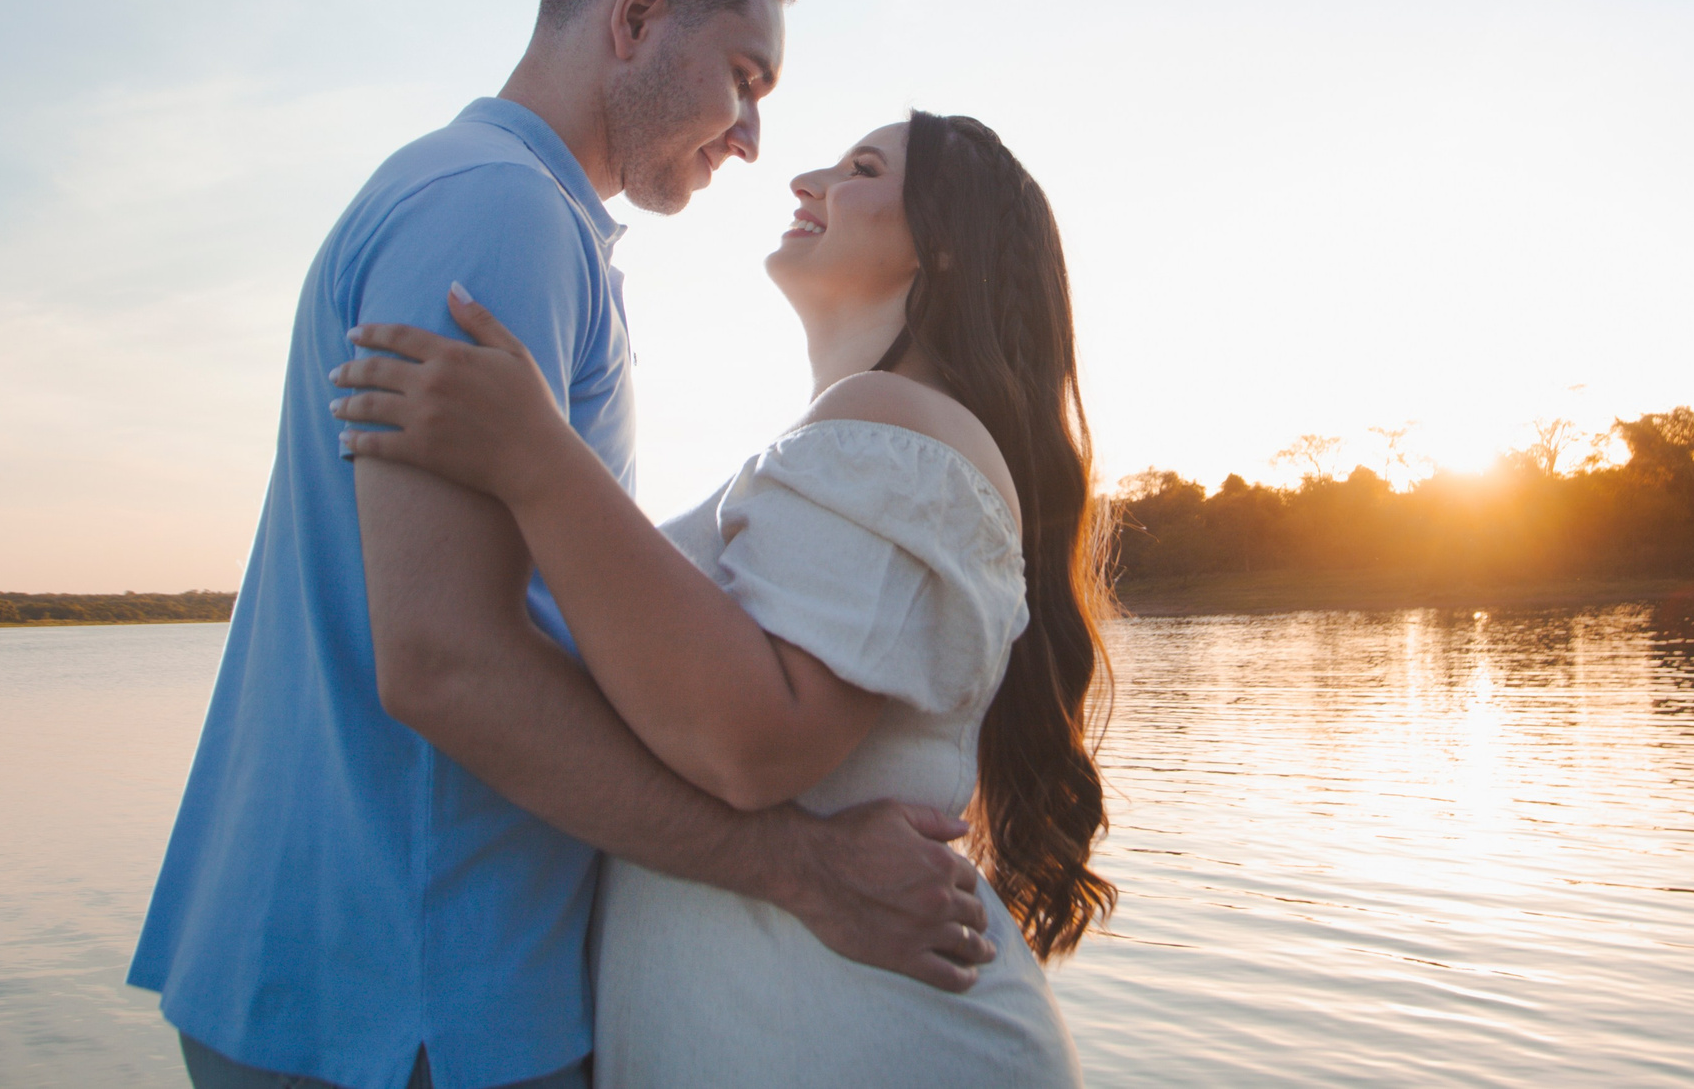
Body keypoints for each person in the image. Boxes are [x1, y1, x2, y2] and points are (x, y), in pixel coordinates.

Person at [130, 0, 996, 1089]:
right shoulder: (500, 214)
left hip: (365, 976)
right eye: (744, 77)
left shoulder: (497, 206)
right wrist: (798, 869)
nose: (753, 138)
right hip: (414, 998)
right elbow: (445, 657)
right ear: (636, 19)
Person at [332, 110, 1115, 1088]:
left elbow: (757, 741)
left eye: (861, 168)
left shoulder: (893, 421)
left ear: (945, 249)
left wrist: (534, 457)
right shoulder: (865, 440)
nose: (807, 180)